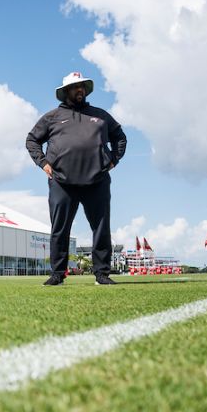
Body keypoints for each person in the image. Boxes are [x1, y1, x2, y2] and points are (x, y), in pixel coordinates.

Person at [25, 72, 127, 286]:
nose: (79, 90)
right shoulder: (52, 117)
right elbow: (32, 140)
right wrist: (43, 163)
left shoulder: (100, 116)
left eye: (82, 86)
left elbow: (120, 137)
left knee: (101, 227)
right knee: (59, 228)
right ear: (65, 92)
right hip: (61, 182)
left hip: (97, 180)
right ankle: (57, 274)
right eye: (75, 87)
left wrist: (113, 160)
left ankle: (102, 274)